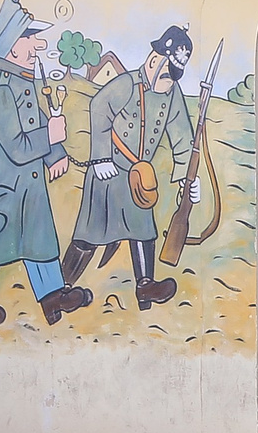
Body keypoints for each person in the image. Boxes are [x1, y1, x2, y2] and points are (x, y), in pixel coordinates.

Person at [0, 0, 89, 326]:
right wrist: (52, 138)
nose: (39, 46)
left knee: (37, 234)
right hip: (0, 181)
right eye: (31, 38)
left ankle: (52, 296)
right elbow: (16, 144)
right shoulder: (2, 88)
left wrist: (54, 153)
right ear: (12, 46)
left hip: (24, 180)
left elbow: (37, 123)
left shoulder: (21, 81)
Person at [65, 26, 201, 310]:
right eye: (167, 74)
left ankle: (145, 287)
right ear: (154, 60)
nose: (170, 82)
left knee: (142, 228)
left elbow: (182, 136)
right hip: (109, 172)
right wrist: (101, 157)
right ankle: (62, 288)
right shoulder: (126, 84)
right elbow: (99, 106)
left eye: (176, 76)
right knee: (90, 233)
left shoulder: (171, 93)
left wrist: (187, 180)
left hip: (139, 178)